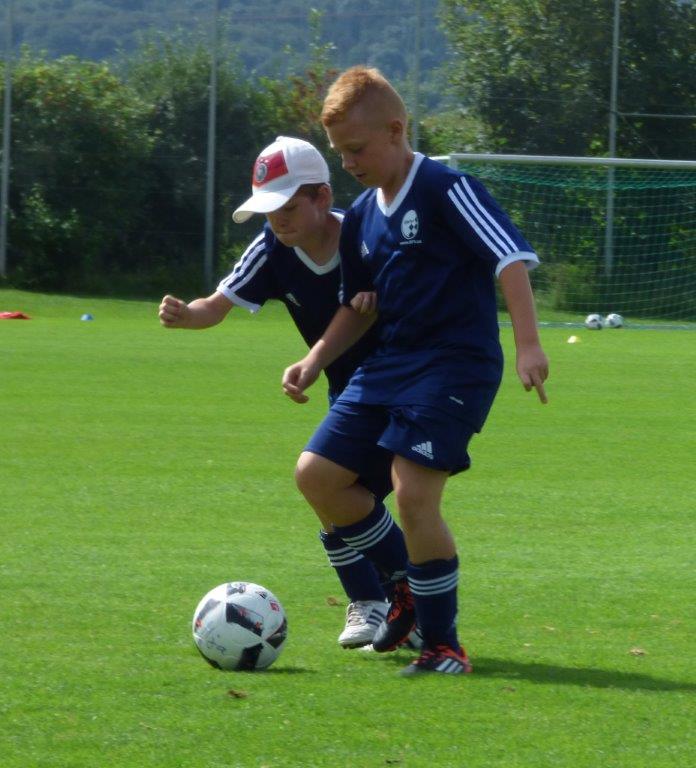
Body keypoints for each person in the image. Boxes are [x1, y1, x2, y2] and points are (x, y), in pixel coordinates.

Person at [282, 67, 549, 676]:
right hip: (390, 364)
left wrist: (530, 346)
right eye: (340, 152)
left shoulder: (446, 188)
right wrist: (315, 359)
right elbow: (358, 305)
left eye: (356, 149)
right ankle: (405, 582)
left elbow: (509, 260)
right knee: (317, 477)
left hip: (455, 366)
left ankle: (443, 645)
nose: (348, 163)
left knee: (412, 491)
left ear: (396, 131)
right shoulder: (361, 217)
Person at [159, 136, 406, 649]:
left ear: (322, 197)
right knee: (328, 494)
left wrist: (315, 359)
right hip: (348, 390)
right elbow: (216, 305)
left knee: (335, 487)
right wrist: (186, 316)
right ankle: (377, 602)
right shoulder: (272, 248)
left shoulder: (365, 236)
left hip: (402, 382)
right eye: (268, 211)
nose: (277, 221)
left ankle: (411, 600)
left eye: (287, 208)